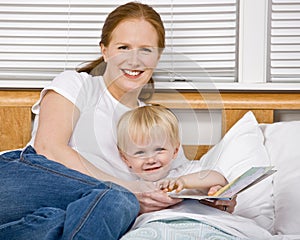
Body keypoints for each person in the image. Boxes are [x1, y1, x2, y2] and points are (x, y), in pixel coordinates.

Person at [0, 2, 236, 239]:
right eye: (123, 47)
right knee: (120, 199)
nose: (134, 61)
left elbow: (174, 183)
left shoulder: (155, 124)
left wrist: (211, 200)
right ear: (105, 51)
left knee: (62, 221)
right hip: (20, 181)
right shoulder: (78, 84)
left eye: (145, 49)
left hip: (68, 211)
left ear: (158, 55)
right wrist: (129, 189)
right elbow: (48, 149)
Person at [117, 105, 228, 195]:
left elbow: (219, 178)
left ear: (175, 151)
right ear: (125, 158)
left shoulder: (184, 173)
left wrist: (183, 182)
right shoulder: (133, 190)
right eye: (140, 153)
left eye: (159, 150)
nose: (151, 160)